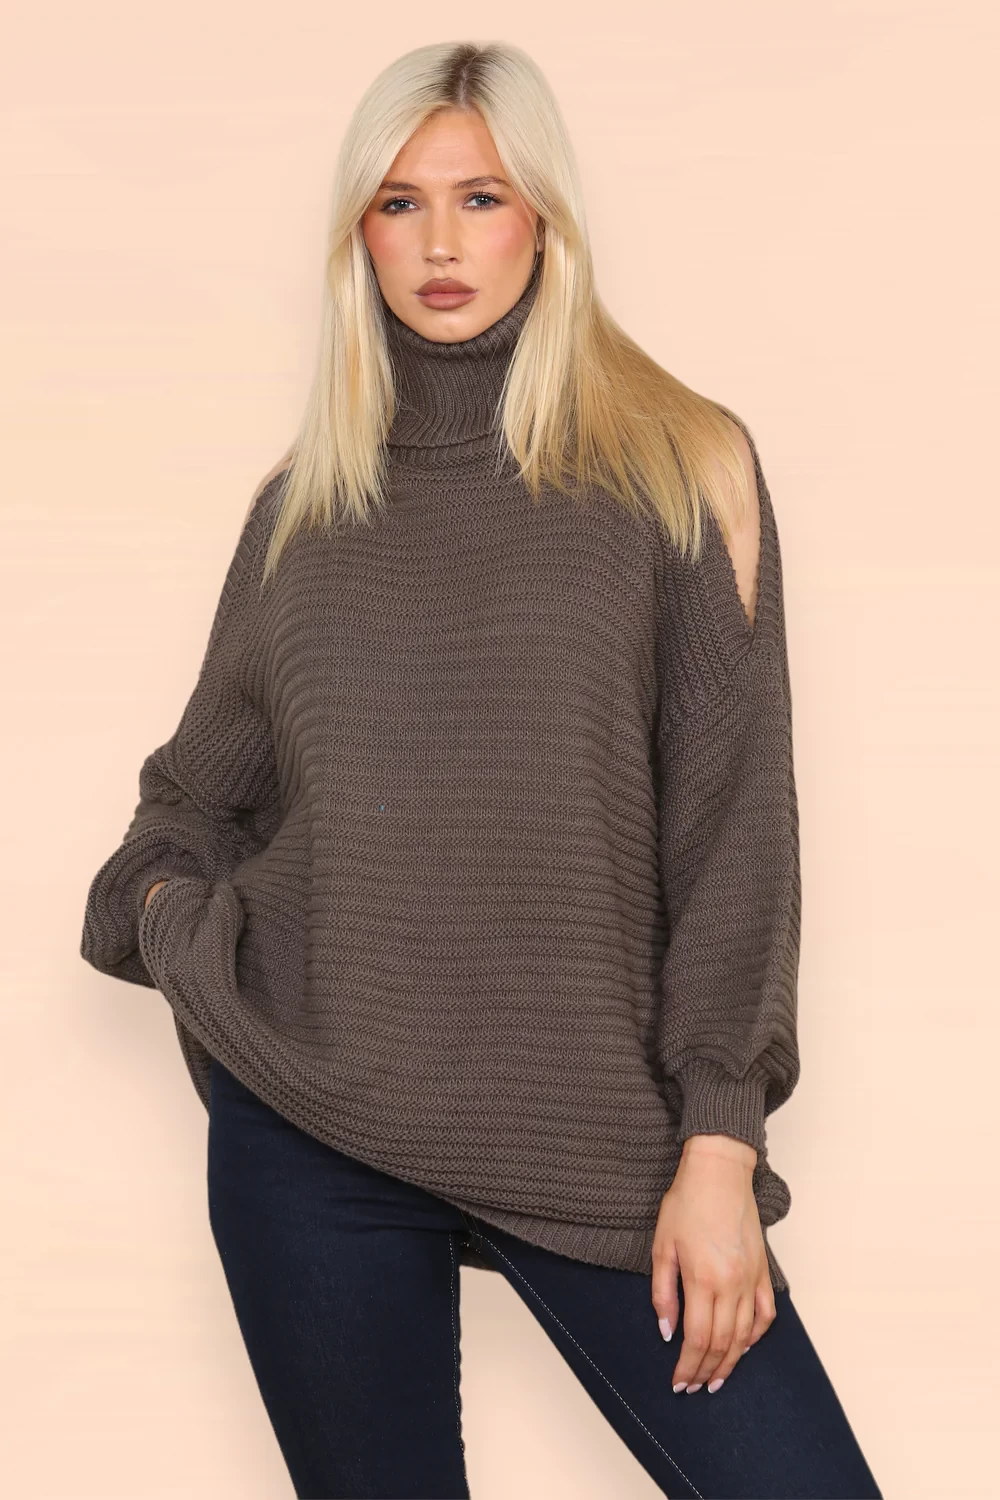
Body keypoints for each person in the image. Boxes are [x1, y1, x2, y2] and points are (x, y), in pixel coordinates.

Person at [80, 39, 883, 1500]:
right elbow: (191, 798)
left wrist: (718, 1143)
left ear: (545, 220)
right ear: (360, 236)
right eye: (399, 204)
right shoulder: (301, 511)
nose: (440, 243)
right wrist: (162, 912)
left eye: (481, 197)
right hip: (313, 1129)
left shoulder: (679, 467)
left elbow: (734, 829)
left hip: (596, 1133)